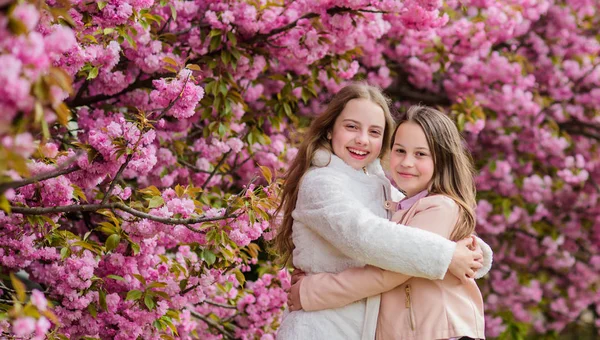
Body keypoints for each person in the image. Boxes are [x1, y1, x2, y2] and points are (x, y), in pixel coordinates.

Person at [274, 84, 492, 340]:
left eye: (374, 132)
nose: (362, 139)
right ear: (330, 130)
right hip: (322, 325)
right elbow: (366, 236)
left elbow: (416, 227)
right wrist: (447, 254)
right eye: (351, 126)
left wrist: (469, 250)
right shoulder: (322, 183)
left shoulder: (383, 190)